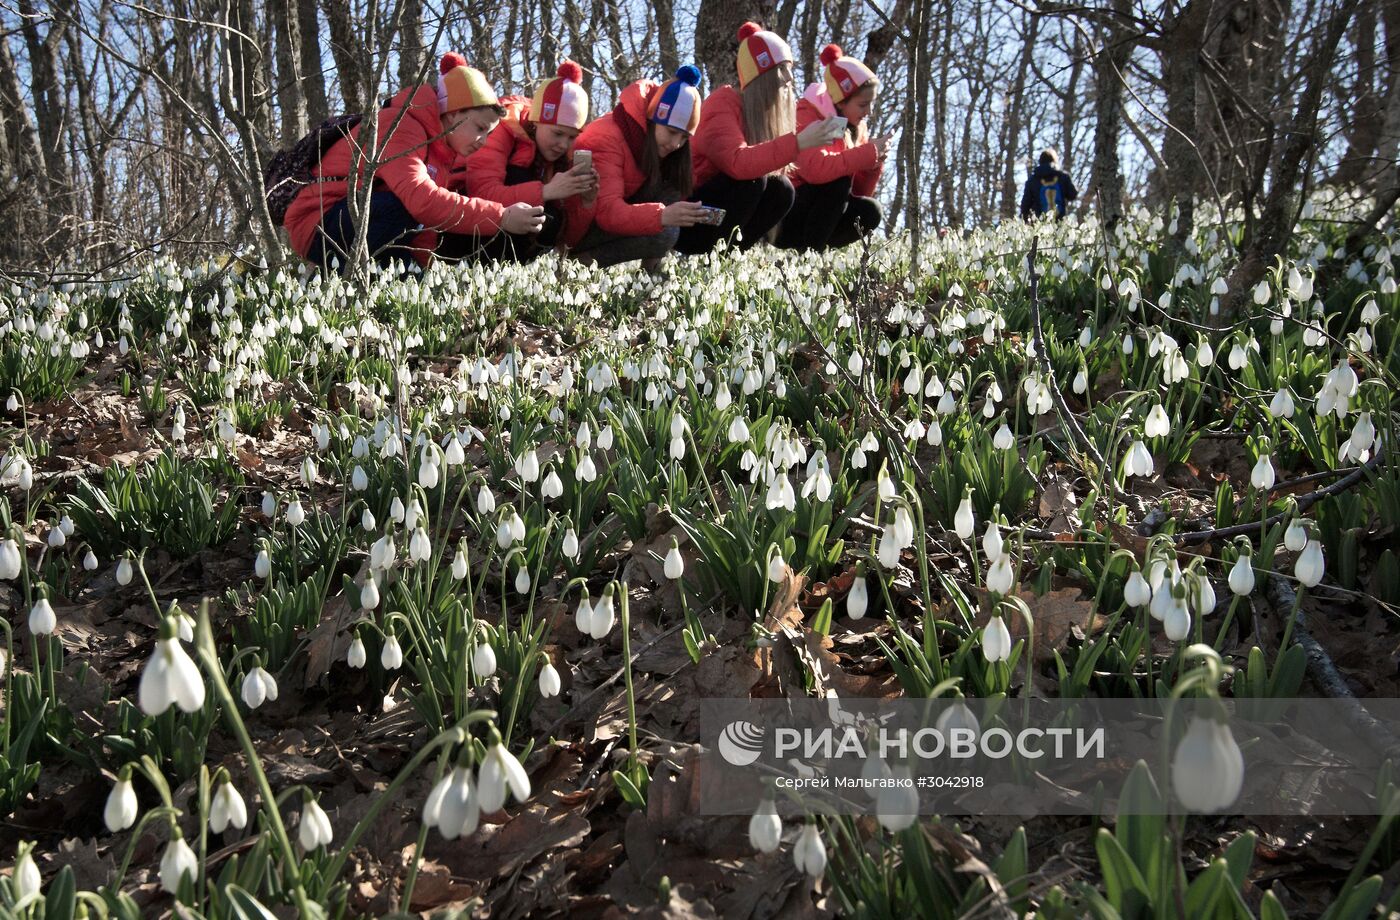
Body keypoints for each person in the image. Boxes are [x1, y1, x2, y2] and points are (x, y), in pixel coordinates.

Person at [283, 53, 546, 272]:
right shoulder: (400, 126)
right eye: (479, 127)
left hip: (356, 220)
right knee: (407, 206)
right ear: (453, 114)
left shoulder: (442, 150)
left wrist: (423, 271)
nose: (483, 140)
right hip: (318, 223)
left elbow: (426, 224)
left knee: (414, 273)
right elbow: (421, 202)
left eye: (489, 133)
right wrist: (501, 217)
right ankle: (348, 278)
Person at [681, 22, 841, 255]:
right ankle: (714, 259)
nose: (789, 79)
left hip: (717, 216)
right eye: (781, 70)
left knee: (781, 189)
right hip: (691, 216)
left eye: (790, 69)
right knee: (754, 181)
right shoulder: (722, 103)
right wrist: (798, 142)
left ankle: (728, 258)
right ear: (762, 74)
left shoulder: (762, 117)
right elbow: (739, 164)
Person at [566, 65, 710, 269]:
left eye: (684, 137)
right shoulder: (607, 137)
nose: (675, 144)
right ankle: (580, 264)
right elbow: (607, 211)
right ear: (653, 120)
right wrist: (661, 216)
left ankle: (651, 270)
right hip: (580, 228)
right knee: (667, 231)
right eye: (671, 132)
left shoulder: (661, 147)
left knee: (675, 184)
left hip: (612, 216)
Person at [461, 61, 599, 262]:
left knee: (550, 216)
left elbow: (567, 238)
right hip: (463, 226)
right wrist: (546, 191)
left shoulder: (562, 160)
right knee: (520, 180)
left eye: (571, 137)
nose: (563, 144)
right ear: (536, 121)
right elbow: (480, 192)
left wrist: (586, 202)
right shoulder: (500, 130)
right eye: (558, 133)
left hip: (510, 242)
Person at [776, 44, 890, 251]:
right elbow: (815, 170)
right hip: (787, 212)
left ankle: (814, 252)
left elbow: (857, 191)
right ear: (841, 101)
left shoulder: (857, 127)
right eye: (863, 105)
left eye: (871, 104)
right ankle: (811, 257)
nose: (869, 112)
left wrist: (874, 163)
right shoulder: (808, 113)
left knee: (870, 210)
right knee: (836, 180)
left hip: (820, 214)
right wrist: (865, 154)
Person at [1019, 149, 1077, 220]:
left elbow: (1025, 204)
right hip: (1060, 222)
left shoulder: (1032, 180)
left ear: (1040, 161)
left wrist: (1025, 220)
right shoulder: (1063, 177)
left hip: (1039, 223)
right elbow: (1073, 195)